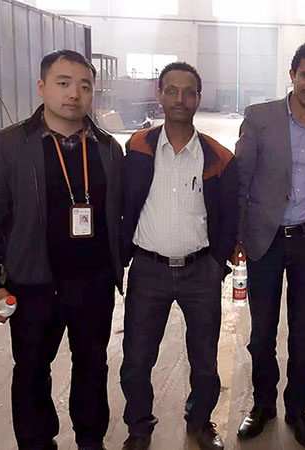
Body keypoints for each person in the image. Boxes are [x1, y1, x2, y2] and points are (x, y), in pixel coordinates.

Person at [0, 50, 124, 450]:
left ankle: (91, 440)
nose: (74, 94)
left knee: (92, 367)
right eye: (63, 83)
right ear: (42, 87)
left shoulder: (108, 148)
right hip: (33, 285)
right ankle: (37, 443)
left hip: (93, 283)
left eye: (84, 86)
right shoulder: (9, 146)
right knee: (31, 371)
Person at [119, 62, 237, 450]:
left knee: (204, 361)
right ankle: (139, 427)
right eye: (171, 90)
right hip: (148, 270)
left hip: (200, 272)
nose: (180, 99)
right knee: (137, 360)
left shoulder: (218, 156)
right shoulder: (138, 147)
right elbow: (122, 201)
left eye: (189, 92)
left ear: (199, 99)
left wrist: (217, 264)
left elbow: (229, 216)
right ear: (160, 95)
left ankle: (199, 422)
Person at [233, 42, 305, 449]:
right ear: (292, 73)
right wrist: (237, 237)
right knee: (262, 332)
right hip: (266, 239)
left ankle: (298, 411)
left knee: (302, 336)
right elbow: (241, 179)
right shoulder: (260, 118)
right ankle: (263, 405)